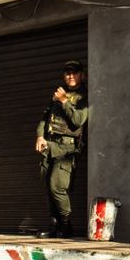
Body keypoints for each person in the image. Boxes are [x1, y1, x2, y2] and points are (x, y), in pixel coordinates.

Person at [34, 60, 89, 238]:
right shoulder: (59, 93)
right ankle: (55, 226)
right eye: (67, 73)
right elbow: (45, 117)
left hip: (68, 148)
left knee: (56, 185)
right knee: (49, 188)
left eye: (74, 72)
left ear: (82, 74)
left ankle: (66, 225)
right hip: (50, 145)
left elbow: (78, 120)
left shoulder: (84, 96)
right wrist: (40, 136)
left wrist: (64, 101)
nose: (70, 76)